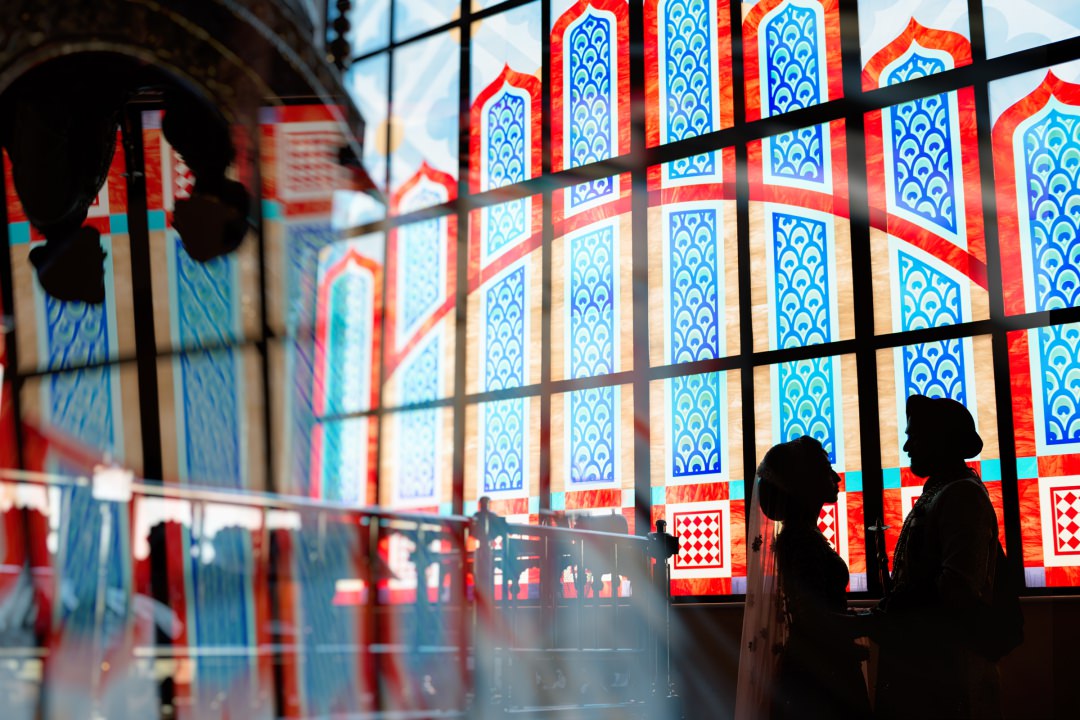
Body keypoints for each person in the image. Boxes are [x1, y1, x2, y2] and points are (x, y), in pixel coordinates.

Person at [873, 394, 1001, 719]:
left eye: (914, 437)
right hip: (925, 661)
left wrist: (896, 608)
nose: (907, 448)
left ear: (941, 440)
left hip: (946, 664)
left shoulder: (961, 494)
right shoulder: (940, 490)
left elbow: (958, 587)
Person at [735, 436, 871, 719]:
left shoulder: (804, 536)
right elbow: (812, 618)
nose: (835, 477)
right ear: (805, 484)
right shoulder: (801, 541)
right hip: (820, 671)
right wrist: (869, 622)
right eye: (825, 470)